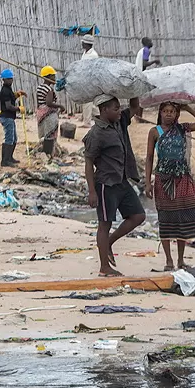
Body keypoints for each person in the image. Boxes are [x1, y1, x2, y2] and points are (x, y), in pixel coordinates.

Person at [83, 95, 147, 277]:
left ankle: (109, 242)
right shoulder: (96, 134)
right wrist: (92, 191)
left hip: (122, 180)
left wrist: (131, 89)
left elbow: (134, 106)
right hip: (105, 183)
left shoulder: (119, 122)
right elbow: (88, 163)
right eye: (116, 108)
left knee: (138, 216)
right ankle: (104, 267)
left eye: (120, 108)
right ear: (104, 111)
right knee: (105, 223)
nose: (120, 111)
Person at [145, 103, 195, 270]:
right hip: (163, 180)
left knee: (183, 218)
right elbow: (149, 158)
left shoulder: (183, 129)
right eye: (165, 111)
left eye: (172, 112)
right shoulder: (154, 132)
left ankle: (181, 260)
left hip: (183, 179)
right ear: (160, 113)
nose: (168, 114)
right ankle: (169, 261)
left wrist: (188, 108)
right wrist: (147, 183)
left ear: (177, 114)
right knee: (166, 219)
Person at [36, 66, 65, 157]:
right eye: (53, 76)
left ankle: (43, 151)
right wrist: (60, 106)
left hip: (41, 112)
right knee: (50, 134)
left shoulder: (39, 87)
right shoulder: (48, 89)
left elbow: (40, 102)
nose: (55, 79)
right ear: (48, 77)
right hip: (48, 114)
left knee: (43, 133)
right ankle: (49, 153)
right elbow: (49, 103)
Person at [0, 68, 22, 167]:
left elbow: (10, 98)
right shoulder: (5, 91)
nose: (11, 80)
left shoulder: (8, 90)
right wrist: (19, 109)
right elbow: (8, 106)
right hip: (7, 117)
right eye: (9, 79)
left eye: (11, 79)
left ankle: (9, 157)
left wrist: (16, 95)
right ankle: (5, 160)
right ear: (4, 80)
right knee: (9, 139)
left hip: (9, 117)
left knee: (14, 138)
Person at [80, 35, 101, 126]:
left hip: (90, 80)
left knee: (87, 101)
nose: (82, 43)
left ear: (87, 44)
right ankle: (99, 115)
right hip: (84, 79)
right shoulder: (86, 53)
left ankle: (87, 121)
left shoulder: (93, 55)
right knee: (89, 102)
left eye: (83, 42)